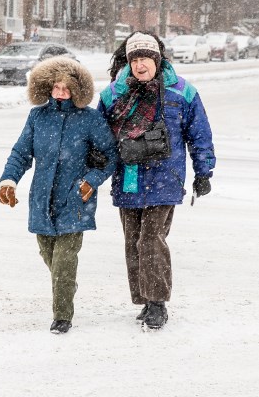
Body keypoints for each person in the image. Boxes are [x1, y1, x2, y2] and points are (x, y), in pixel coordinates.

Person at [97, 31, 216, 330]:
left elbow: (199, 134)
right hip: (129, 178)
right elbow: (97, 137)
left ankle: (158, 302)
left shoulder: (181, 92)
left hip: (165, 178)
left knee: (151, 240)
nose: (140, 65)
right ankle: (144, 298)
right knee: (132, 241)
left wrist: (204, 171)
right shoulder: (113, 94)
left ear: (157, 59)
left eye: (145, 58)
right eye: (134, 59)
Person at [0, 57, 118, 334]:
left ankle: (62, 315)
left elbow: (110, 156)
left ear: (77, 89)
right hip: (42, 199)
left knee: (64, 262)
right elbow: (21, 153)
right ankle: (66, 285)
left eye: (67, 87)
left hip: (75, 199)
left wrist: (91, 180)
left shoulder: (90, 119)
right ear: (47, 87)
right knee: (48, 254)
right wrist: (9, 180)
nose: (61, 92)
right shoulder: (37, 117)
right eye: (56, 87)